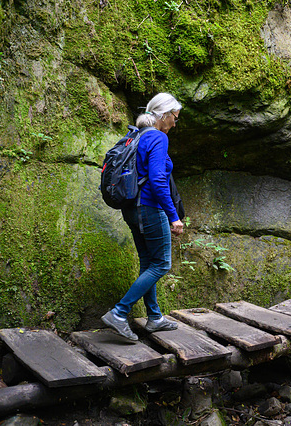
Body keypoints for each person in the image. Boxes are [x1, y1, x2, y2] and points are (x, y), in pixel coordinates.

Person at [101, 93, 184, 341]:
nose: (175, 123)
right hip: (149, 208)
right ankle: (119, 312)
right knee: (162, 264)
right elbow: (158, 180)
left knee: (148, 262)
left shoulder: (136, 136)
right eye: (174, 118)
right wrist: (173, 216)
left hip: (131, 208)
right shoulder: (157, 138)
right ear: (164, 115)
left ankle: (155, 317)